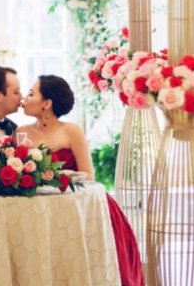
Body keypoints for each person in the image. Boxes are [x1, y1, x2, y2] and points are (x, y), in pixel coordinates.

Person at [20, 75, 145, 286]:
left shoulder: (71, 131)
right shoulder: (21, 132)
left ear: (47, 103)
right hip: (40, 208)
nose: (25, 98)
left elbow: (88, 173)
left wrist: (60, 175)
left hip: (76, 205)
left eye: (31, 93)